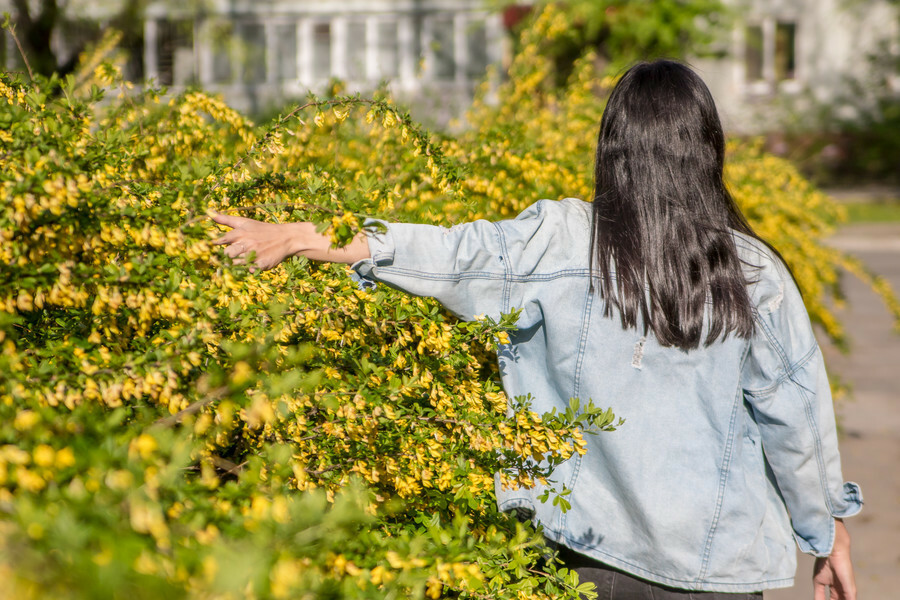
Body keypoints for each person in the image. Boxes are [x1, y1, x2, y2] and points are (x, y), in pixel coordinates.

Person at [211, 60, 861, 599]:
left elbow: (450, 254)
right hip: (717, 566)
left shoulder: (562, 239)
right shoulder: (754, 272)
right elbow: (796, 423)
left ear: (614, 148)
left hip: (586, 560)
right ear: (707, 149)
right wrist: (827, 533)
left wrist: (307, 236)